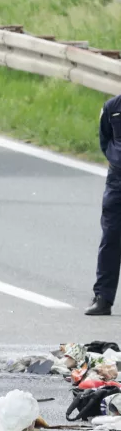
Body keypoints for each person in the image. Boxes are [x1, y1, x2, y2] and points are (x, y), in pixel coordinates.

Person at [87, 93, 121, 316]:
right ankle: (103, 298)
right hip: (117, 180)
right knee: (111, 236)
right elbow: (104, 138)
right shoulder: (112, 107)